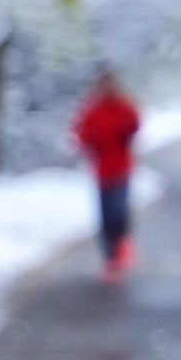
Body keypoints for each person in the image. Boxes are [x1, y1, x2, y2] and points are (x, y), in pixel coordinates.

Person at [71, 67, 142, 281]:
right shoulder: (92, 109)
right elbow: (80, 132)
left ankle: (122, 245)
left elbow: (135, 122)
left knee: (119, 211)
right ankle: (109, 259)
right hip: (102, 170)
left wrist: (128, 132)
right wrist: (88, 143)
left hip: (121, 168)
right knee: (105, 216)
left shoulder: (123, 106)